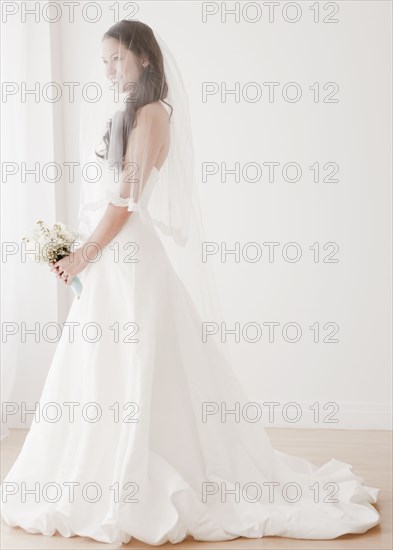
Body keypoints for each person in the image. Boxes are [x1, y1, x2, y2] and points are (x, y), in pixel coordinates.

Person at [1, 20, 380, 546]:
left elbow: (126, 201)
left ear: (147, 60)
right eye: (104, 61)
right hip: (112, 254)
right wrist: (76, 249)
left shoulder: (152, 115)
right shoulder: (130, 113)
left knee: (140, 364)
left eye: (119, 59)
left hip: (126, 255)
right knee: (101, 365)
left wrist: (83, 255)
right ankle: (97, 467)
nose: (110, 70)